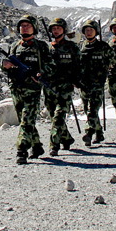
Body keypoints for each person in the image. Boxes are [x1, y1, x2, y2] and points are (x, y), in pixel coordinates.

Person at [2, 14, 54, 165]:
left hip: (32, 90)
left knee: (26, 121)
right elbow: (9, 66)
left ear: (34, 28)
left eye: (27, 25)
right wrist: (5, 66)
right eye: (22, 26)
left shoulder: (41, 46)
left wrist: (41, 73)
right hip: (16, 89)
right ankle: (37, 146)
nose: (24, 28)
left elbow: (51, 65)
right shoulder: (15, 46)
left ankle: (22, 150)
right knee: (26, 121)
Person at [77, 19, 116, 147]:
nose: (89, 32)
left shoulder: (103, 47)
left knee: (92, 110)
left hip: (97, 83)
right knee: (86, 109)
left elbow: (115, 61)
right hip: (84, 84)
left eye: (91, 30)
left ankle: (88, 133)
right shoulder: (81, 46)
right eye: (86, 30)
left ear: (96, 31)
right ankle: (99, 132)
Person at [44, 17, 79, 156]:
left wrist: (77, 80)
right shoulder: (47, 48)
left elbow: (78, 66)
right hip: (49, 87)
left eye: (58, 28)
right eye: (53, 28)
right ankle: (67, 138)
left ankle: (54, 145)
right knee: (54, 117)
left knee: (59, 116)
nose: (56, 30)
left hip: (65, 87)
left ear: (64, 30)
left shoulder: (72, 47)